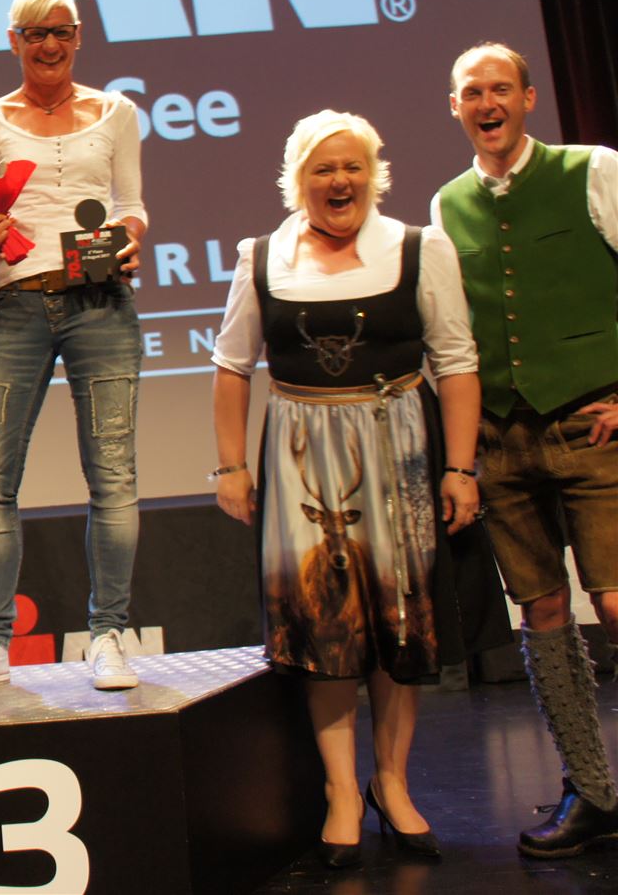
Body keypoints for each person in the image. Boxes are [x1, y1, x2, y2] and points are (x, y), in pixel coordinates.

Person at [209, 111, 481, 865]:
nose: (340, 181)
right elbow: (231, 367)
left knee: (400, 620)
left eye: (352, 166)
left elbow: (456, 362)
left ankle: (391, 783)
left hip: (400, 450)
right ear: (298, 181)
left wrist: (460, 469)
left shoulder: (420, 248)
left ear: (374, 174)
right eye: (323, 169)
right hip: (301, 456)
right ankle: (340, 791)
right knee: (324, 623)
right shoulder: (262, 256)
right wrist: (231, 466)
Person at [433, 42, 618, 858]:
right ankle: (593, 790)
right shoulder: (448, 204)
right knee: (542, 611)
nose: (488, 103)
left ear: (529, 97)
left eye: (501, 88)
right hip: (503, 441)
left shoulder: (593, 169)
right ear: (456, 107)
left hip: (593, 424)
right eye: (473, 92)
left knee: (615, 601)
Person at [0, 0, 147, 694]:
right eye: (35, 33)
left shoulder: (117, 112)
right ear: (14, 42)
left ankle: (109, 635)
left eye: (61, 31)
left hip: (101, 301)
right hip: (17, 307)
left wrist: (129, 240)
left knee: (113, 477)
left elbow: (132, 207)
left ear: (79, 35)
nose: (49, 45)